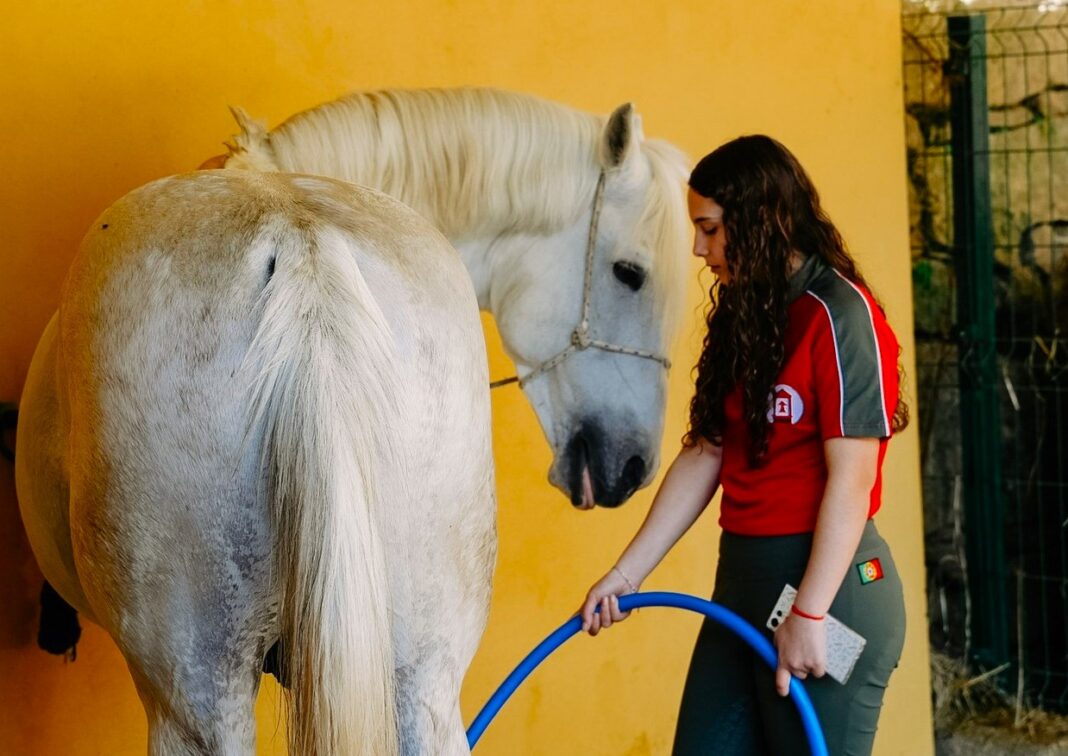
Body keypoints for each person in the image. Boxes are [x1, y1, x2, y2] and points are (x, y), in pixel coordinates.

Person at [579, 135, 908, 756]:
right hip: (743, 594)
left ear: (762, 219)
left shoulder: (838, 314)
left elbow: (852, 480)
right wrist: (624, 575)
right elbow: (706, 452)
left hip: (832, 599)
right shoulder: (746, 312)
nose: (700, 250)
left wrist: (809, 615)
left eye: (710, 229)